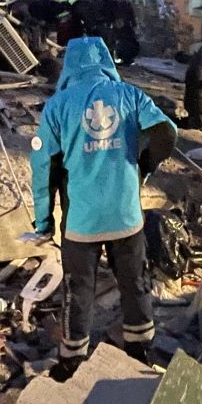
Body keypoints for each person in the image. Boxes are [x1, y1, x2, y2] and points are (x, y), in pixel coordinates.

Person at [30, 37, 177, 381]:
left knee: (78, 289)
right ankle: (140, 352)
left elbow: (43, 165)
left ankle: (72, 362)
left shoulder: (58, 106)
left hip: (81, 222)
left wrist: (43, 221)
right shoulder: (130, 95)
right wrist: (143, 165)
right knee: (134, 282)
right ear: (107, 61)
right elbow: (166, 133)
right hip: (126, 217)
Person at [112, 0, 140, 65]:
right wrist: (115, 22)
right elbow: (109, 15)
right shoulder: (112, 5)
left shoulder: (127, 4)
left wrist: (134, 25)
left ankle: (127, 59)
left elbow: (132, 15)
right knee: (117, 44)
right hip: (116, 28)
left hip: (126, 27)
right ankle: (117, 59)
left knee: (128, 43)